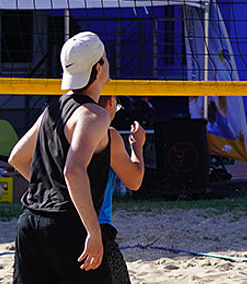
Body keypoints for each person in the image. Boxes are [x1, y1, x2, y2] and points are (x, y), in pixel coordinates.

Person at [11, 31, 116, 283]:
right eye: (105, 58)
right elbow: (73, 171)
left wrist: (51, 189)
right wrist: (93, 231)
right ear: (99, 67)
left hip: (30, 223)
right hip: (67, 227)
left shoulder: (54, 108)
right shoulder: (94, 115)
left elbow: (17, 158)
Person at [9, 94, 146, 284]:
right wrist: (137, 146)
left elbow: (16, 159)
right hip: (91, 228)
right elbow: (134, 181)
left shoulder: (55, 119)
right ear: (112, 101)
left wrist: (52, 187)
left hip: (40, 222)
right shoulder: (107, 134)